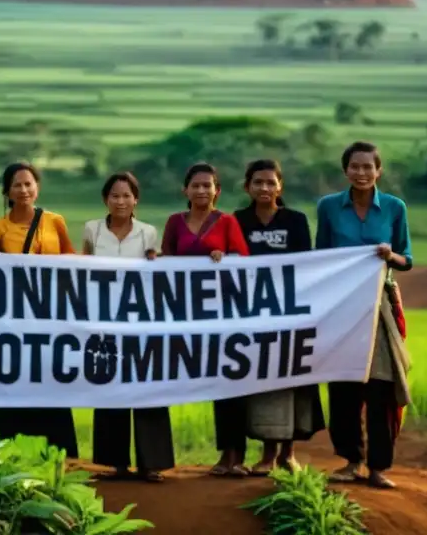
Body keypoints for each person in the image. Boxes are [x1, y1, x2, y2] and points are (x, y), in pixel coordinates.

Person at [316, 141, 412, 491]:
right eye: (354, 166)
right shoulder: (328, 207)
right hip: (340, 306)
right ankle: (351, 460)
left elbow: (408, 258)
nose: (361, 172)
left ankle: (378, 467)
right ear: (346, 171)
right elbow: (320, 256)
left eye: (367, 167)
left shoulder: (393, 207)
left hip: (380, 306)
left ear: (379, 171)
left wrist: (391, 255)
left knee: (381, 387)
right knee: (343, 387)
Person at [233, 159, 325, 476]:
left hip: (290, 313)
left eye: (271, 182)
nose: (264, 188)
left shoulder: (296, 220)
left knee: (293, 380)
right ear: (247, 186)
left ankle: (289, 453)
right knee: (262, 383)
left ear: (280, 186)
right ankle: (267, 454)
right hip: (252, 316)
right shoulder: (238, 220)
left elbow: (304, 264)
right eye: (258, 182)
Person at [160, 162, 250, 478]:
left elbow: (244, 262)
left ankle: (233, 455)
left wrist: (224, 259)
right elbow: (165, 263)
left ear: (217, 190)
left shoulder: (227, 223)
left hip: (222, 314)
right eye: (195, 185)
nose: (201, 191)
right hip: (184, 314)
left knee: (229, 381)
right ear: (185, 190)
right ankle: (154, 458)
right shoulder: (174, 222)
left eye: (207, 185)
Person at [84, 172, 173, 483]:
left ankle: (152, 464)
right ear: (105, 199)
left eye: (126, 195)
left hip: (141, 322)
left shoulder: (148, 232)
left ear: (136, 199)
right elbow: (83, 268)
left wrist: (155, 258)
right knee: (110, 386)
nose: (120, 201)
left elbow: (157, 269)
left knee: (147, 387)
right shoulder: (92, 229)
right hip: (104, 321)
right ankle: (115, 463)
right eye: (114, 195)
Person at [0, 161, 78, 457]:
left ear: (37, 187)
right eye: (17, 185)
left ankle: (60, 453)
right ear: (7, 191)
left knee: (51, 379)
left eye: (29, 183)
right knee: (14, 380)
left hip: (50, 316)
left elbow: (72, 261)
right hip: (14, 321)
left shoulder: (55, 221)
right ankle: (10, 451)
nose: (24, 189)